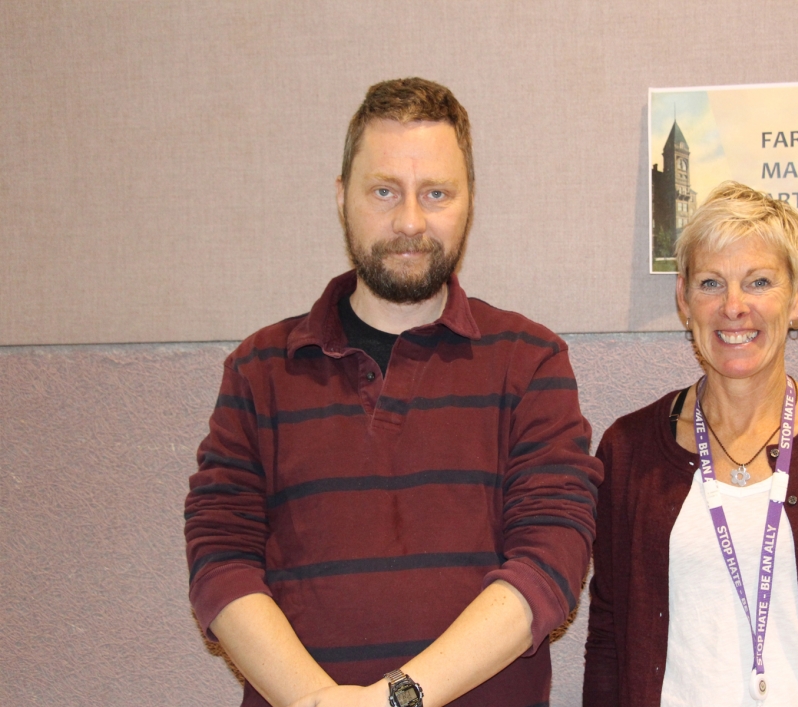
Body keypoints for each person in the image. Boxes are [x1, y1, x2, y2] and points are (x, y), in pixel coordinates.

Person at [185, 77, 602, 707]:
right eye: (385, 191)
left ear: (468, 202)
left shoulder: (531, 361)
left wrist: (396, 699)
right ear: (341, 197)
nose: (410, 221)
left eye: (436, 193)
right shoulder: (258, 371)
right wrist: (321, 702)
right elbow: (220, 558)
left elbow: (551, 560)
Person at [582, 182, 798, 706]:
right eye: (711, 283)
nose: (734, 307)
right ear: (683, 299)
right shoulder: (627, 453)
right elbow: (607, 639)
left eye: (759, 281)